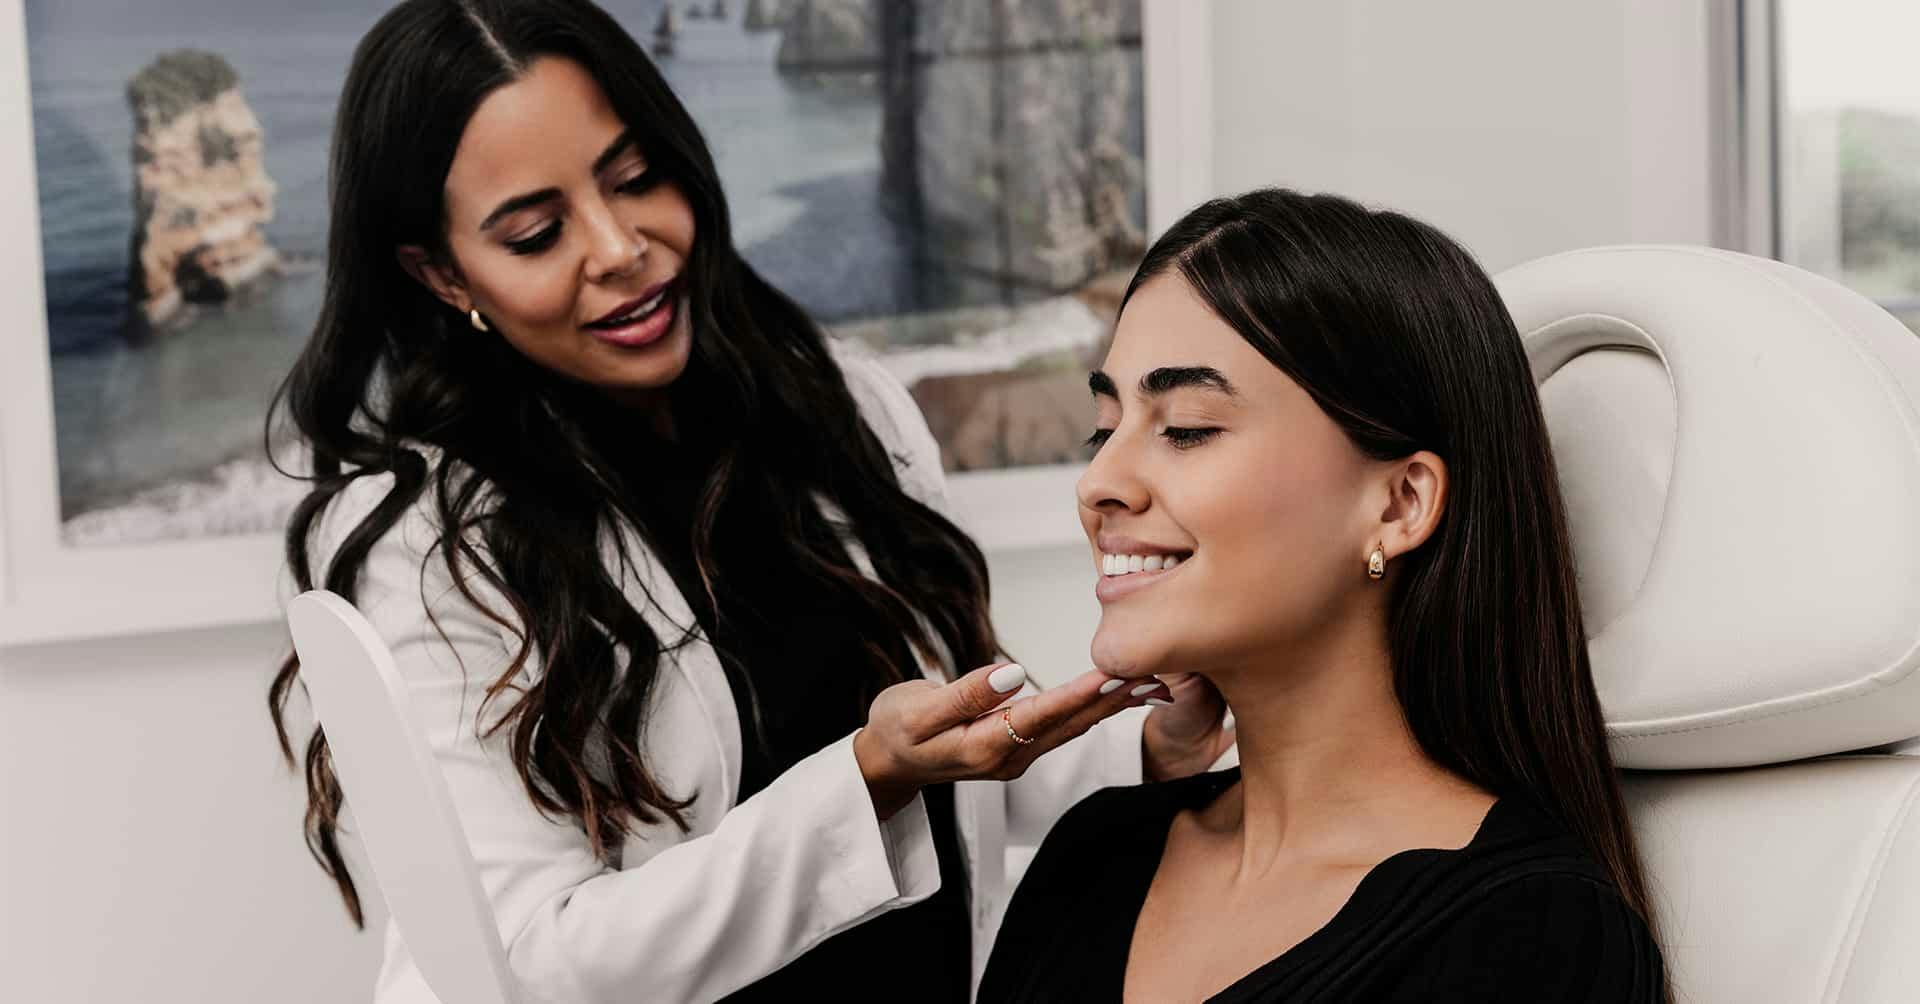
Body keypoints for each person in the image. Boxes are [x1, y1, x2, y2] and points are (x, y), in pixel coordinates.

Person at [264, 2, 1234, 1001]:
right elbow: (527, 963)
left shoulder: (843, 408)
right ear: (440, 271)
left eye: (636, 179)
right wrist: (865, 776)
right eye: (537, 232)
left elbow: (966, 781)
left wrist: (1155, 745)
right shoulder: (426, 542)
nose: (619, 246)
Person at [980, 189, 1668, 1002]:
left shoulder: (1532, 934)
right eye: (1105, 427)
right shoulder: (1094, 856)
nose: (1099, 483)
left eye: (1188, 426)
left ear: (1399, 504)